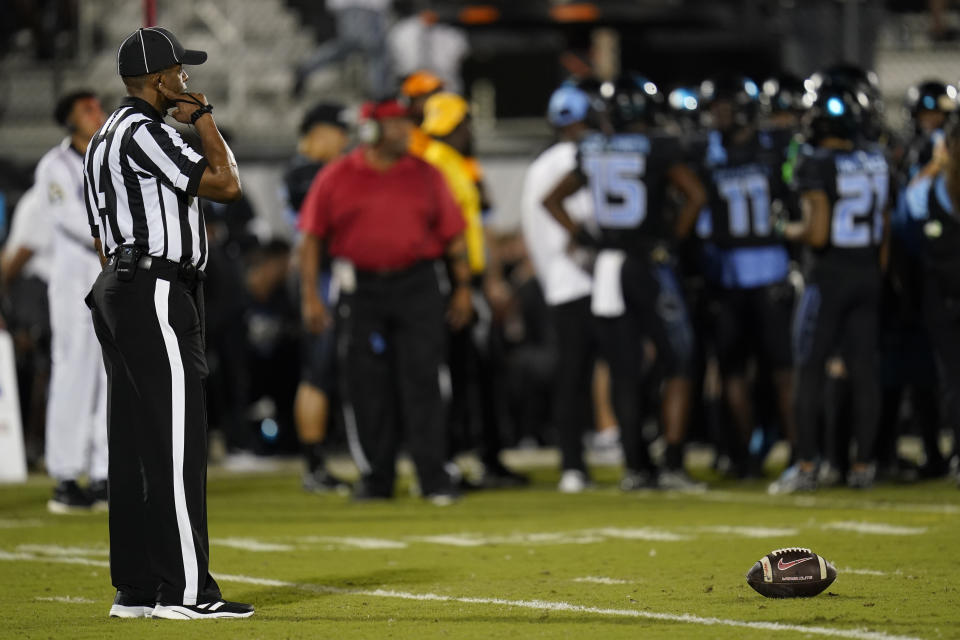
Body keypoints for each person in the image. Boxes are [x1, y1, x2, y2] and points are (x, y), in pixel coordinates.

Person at [83, 27, 251, 619]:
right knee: (177, 442)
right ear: (161, 80)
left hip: (120, 285)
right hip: (155, 288)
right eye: (182, 73)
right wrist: (202, 118)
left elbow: (104, 235)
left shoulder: (104, 137)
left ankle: (137, 587)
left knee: (133, 443)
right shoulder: (146, 132)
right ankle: (185, 591)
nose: (189, 81)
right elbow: (226, 183)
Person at [299, 97, 472, 504]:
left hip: (418, 284)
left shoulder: (427, 174)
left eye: (406, 124)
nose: (404, 132)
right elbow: (310, 239)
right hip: (360, 288)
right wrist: (311, 295)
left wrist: (463, 286)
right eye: (394, 124)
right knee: (364, 383)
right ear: (371, 130)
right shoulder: (336, 176)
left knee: (425, 380)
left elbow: (454, 235)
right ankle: (377, 477)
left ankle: (433, 475)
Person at [543, 73, 708, 492]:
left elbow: (552, 199)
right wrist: (672, 238)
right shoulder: (659, 146)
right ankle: (671, 460)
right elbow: (695, 195)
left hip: (608, 267)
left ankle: (636, 466)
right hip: (648, 264)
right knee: (681, 360)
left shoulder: (591, 147)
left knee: (623, 371)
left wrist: (584, 236)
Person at [768, 84, 890, 494]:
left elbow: (817, 233)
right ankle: (862, 465)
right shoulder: (875, 157)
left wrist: (786, 227)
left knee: (809, 372)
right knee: (865, 372)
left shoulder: (814, 161)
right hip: (867, 274)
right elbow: (885, 226)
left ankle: (806, 464)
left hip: (829, 278)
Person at [418, 92, 526, 488]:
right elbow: (449, 233)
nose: (468, 132)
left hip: (466, 279)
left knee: (477, 374)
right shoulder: (436, 165)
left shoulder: (452, 164)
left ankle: (482, 457)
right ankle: (450, 460)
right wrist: (462, 284)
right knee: (455, 376)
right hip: (452, 281)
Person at [694, 76, 795, 478]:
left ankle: (795, 452)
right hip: (739, 272)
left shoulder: (771, 147)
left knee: (780, 370)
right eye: (714, 107)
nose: (718, 115)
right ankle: (749, 454)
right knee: (736, 371)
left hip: (758, 270)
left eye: (725, 107)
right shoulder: (767, 149)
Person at [520, 84, 597, 493]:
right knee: (614, 372)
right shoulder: (579, 159)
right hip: (589, 279)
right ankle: (623, 456)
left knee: (571, 376)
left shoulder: (538, 165)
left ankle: (573, 463)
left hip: (558, 283)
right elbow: (588, 222)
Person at [37, 90, 110, 513]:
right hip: (74, 277)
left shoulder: (106, 156)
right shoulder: (55, 164)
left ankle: (103, 473)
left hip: (108, 272)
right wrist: (116, 235)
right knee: (73, 372)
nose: (96, 113)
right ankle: (65, 474)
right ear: (69, 120)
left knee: (109, 375)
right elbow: (69, 219)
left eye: (97, 106)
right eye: (86, 110)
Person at [283, 102, 352, 492]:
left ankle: (322, 458)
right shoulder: (304, 173)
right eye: (338, 132)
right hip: (317, 274)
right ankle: (313, 464)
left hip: (328, 272)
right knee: (317, 372)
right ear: (319, 131)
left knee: (326, 371)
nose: (343, 141)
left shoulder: (313, 171)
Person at [904, 121, 960, 488]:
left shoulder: (930, 187)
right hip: (943, 297)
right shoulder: (935, 188)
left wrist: (936, 163)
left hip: (942, 296)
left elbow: (908, 206)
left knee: (954, 379)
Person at [292, 0, 392, 98]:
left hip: (347, 13)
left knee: (342, 49)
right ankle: (380, 93)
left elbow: (332, 6)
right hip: (368, 14)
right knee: (376, 53)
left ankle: (305, 68)